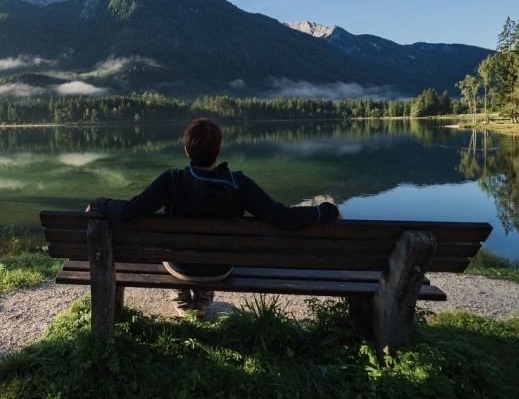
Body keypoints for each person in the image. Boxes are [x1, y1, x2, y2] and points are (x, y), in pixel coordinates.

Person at [87, 117, 342, 318]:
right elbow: (285, 218)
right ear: (218, 151)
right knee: (212, 250)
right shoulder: (239, 184)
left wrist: (97, 202)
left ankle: (184, 300)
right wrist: (326, 210)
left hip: (179, 267)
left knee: (176, 249)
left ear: (187, 151)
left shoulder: (171, 181)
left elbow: (129, 212)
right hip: (219, 268)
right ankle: (202, 299)